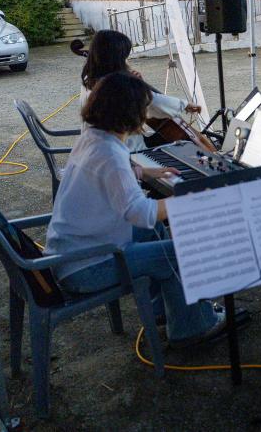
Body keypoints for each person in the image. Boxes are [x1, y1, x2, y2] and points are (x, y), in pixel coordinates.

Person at [45, 72, 233, 348]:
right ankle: (191, 327)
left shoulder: (94, 138)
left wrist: (144, 172)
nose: (147, 114)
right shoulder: (110, 153)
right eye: (144, 109)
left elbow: (109, 176)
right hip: (86, 268)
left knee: (155, 231)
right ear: (129, 113)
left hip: (72, 253)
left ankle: (164, 308)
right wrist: (190, 198)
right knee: (179, 250)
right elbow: (140, 211)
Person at [79, 29, 202, 151]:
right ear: (116, 58)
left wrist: (136, 84)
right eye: (124, 57)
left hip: (94, 146)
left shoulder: (88, 79)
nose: (127, 61)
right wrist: (184, 105)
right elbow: (151, 102)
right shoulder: (116, 84)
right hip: (125, 150)